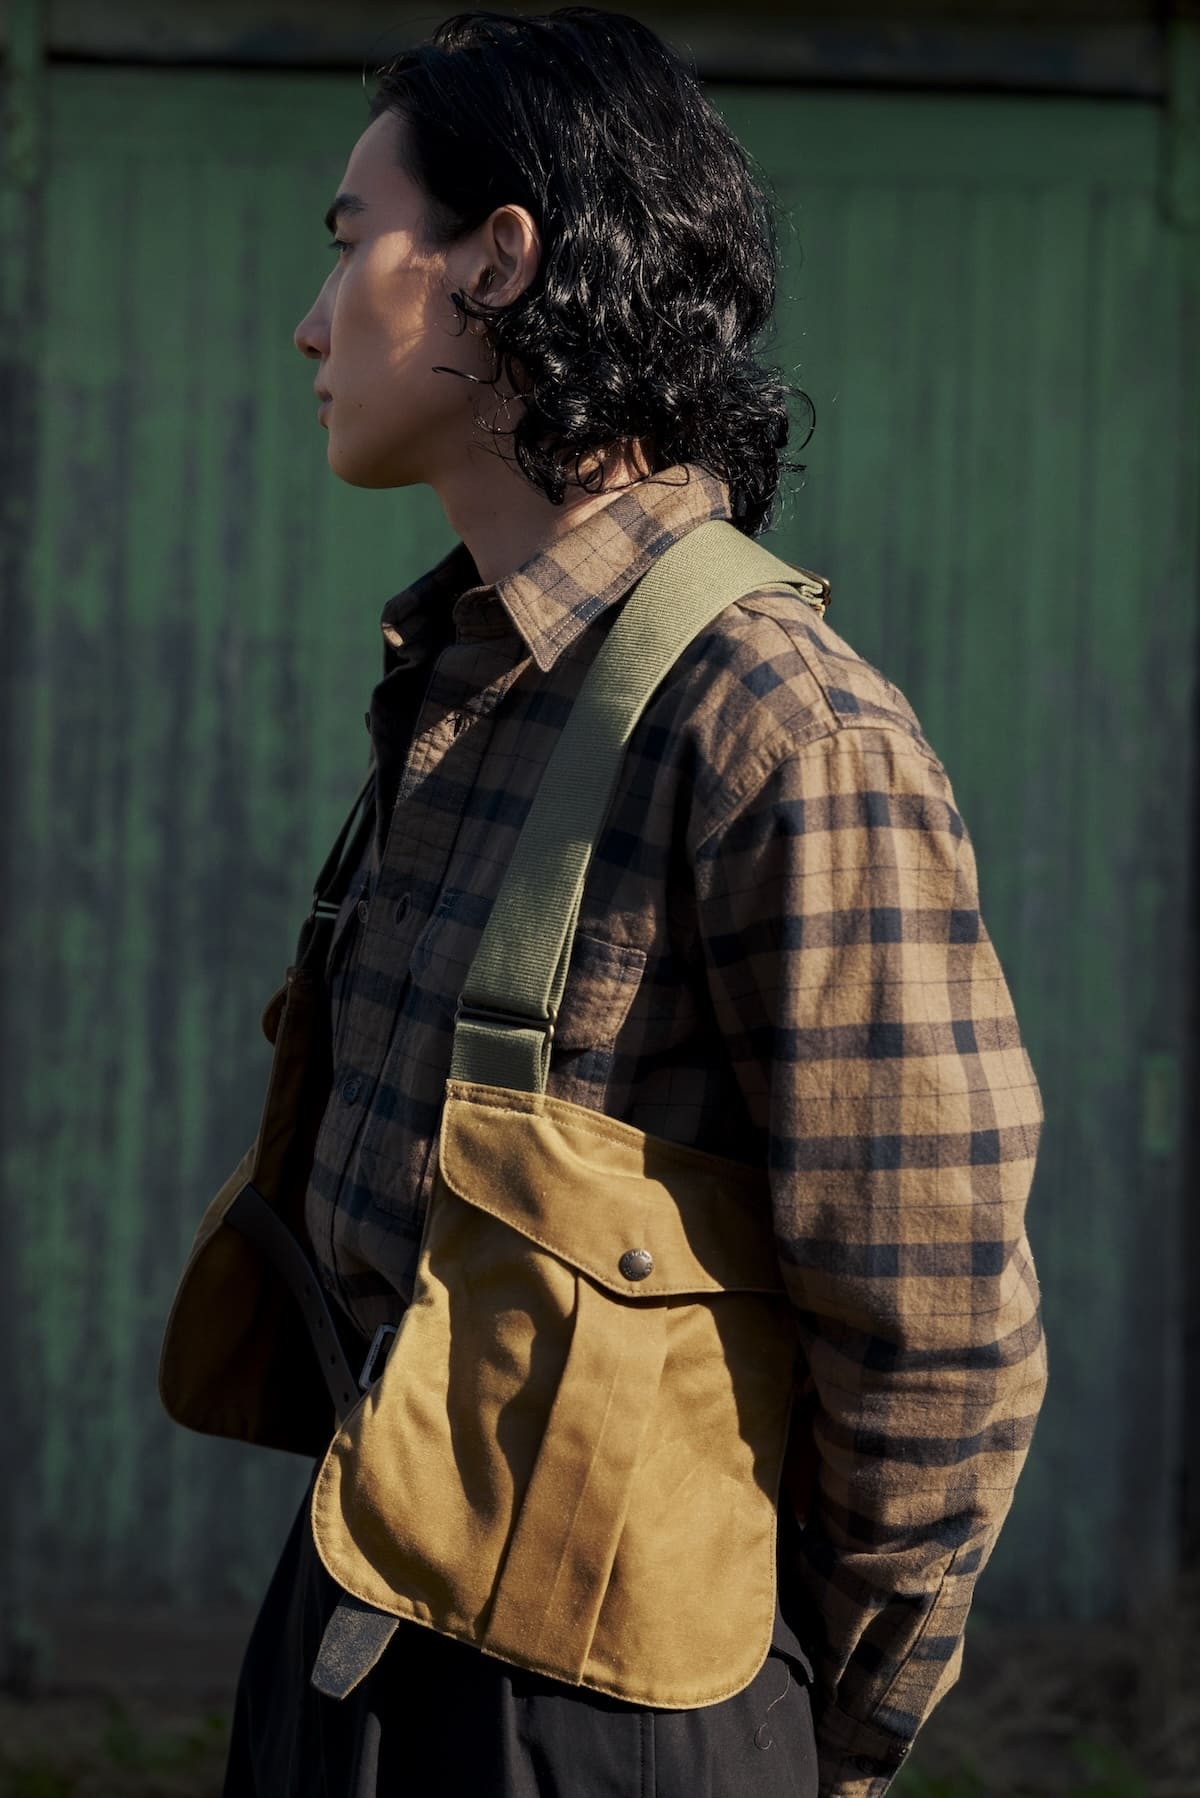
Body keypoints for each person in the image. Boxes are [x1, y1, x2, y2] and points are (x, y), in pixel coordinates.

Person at [161, 9, 1049, 1795]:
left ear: (499, 261)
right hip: (353, 1613)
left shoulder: (777, 719)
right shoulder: (469, 672)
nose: (312, 322)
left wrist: (812, 1730)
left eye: (352, 241)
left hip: (615, 1716)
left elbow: (936, 1315)